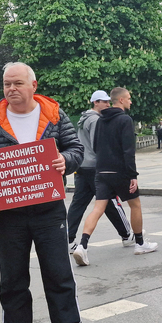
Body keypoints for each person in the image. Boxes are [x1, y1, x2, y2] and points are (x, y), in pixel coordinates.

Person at [0, 62, 89, 323]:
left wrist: (65, 160)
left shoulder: (54, 116)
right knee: (13, 277)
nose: (11, 89)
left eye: (18, 83)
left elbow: (76, 149)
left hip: (49, 210)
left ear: (34, 85)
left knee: (59, 274)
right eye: (7, 84)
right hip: (9, 214)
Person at [73, 87, 158, 266]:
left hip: (101, 171)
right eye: (128, 98)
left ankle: (83, 246)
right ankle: (140, 243)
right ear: (120, 100)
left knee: (98, 208)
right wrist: (132, 175)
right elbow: (128, 149)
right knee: (135, 205)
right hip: (120, 171)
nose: (130, 101)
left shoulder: (100, 119)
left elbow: (95, 145)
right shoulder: (125, 120)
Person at [66, 90, 132, 252]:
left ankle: (67, 239)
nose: (108, 104)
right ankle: (127, 234)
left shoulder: (83, 118)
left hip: (82, 166)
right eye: (105, 102)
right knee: (111, 201)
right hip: (96, 166)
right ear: (96, 102)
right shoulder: (96, 120)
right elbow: (100, 144)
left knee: (78, 204)